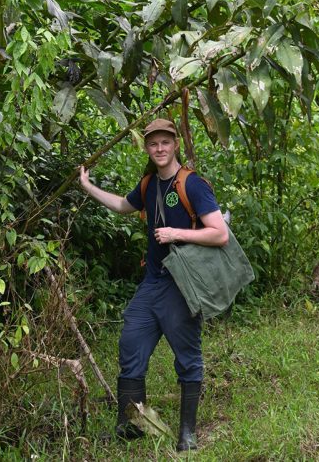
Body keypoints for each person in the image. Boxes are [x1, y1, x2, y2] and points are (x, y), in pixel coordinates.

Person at [79, 118, 228, 450]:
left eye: (165, 142)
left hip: (183, 285)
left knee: (187, 357)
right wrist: (87, 186)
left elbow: (219, 233)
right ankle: (130, 425)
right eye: (153, 143)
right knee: (130, 343)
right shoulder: (149, 184)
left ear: (175, 144)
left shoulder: (192, 185)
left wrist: (176, 234)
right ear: (146, 148)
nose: (159, 149)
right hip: (153, 282)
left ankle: (187, 434)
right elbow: (121, 205)